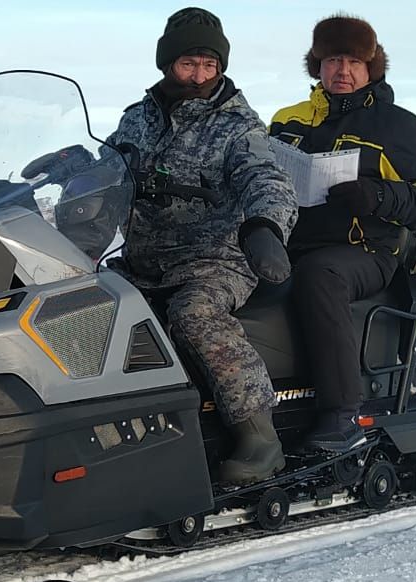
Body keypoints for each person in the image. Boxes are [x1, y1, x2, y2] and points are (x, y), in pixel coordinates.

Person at [105, 7, 300, 486]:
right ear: (167, 64)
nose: (198, 76)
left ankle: (259, 435)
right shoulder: (138, 119)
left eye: (209, 66)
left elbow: (266, 178)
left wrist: (264, 225)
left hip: (215, 258)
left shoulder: (237, 125)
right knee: (87, 306)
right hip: (144, 258)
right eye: (188, 65)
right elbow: (107, 166)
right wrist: (71, 168)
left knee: (194, 314)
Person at [269, 14, 416, 452]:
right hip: (290, 243)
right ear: (317, 66)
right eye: (332, 60)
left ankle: (342, 412)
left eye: (353, 61)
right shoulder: (287, 121)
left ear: (371, 68)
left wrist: (375, 195)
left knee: (319, 274)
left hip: (367, 250)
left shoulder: (395, 125)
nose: (342, 71)